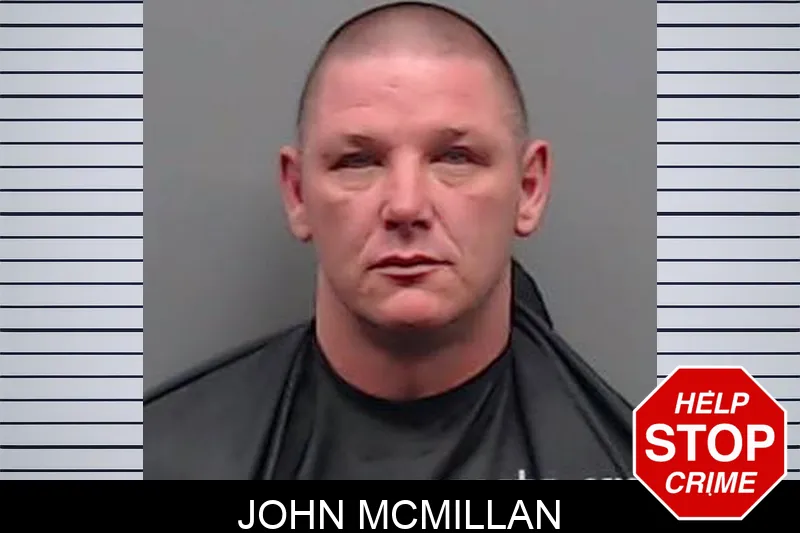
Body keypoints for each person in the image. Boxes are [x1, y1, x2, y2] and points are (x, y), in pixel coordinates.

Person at [145, 1, 633, 480]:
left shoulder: (650, 474)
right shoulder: (162, 458)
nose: (405, 205)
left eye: (455, 158)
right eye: (358, 162)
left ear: (528, 189)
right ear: (297, 194)